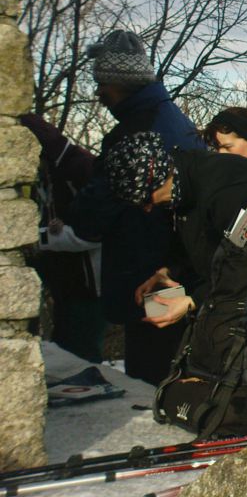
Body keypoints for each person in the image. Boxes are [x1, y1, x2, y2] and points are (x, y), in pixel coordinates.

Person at [68, 29, 205, 384]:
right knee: (168, 372)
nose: (98, 93)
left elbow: (89, 219)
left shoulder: (137, 135)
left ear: (120, 82)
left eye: (102, 83)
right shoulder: (170, 121)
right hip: (169, 275)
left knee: (152, 381)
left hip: (154, 281)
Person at [104, 131, 247, 327]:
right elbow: (200, 245)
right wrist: (168, 273)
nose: (148, 208)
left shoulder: (228, 185)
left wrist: (193, 301)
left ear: (159, 177)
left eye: (146, 199)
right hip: (236, 303)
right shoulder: (182, 183)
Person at [20, 113, 105, 362]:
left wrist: (41, 239)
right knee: (65, 352)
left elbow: (96, 231)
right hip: (65, 284)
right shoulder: (44, 173)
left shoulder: (80, 169)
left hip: (89, 288)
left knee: (81, 358)